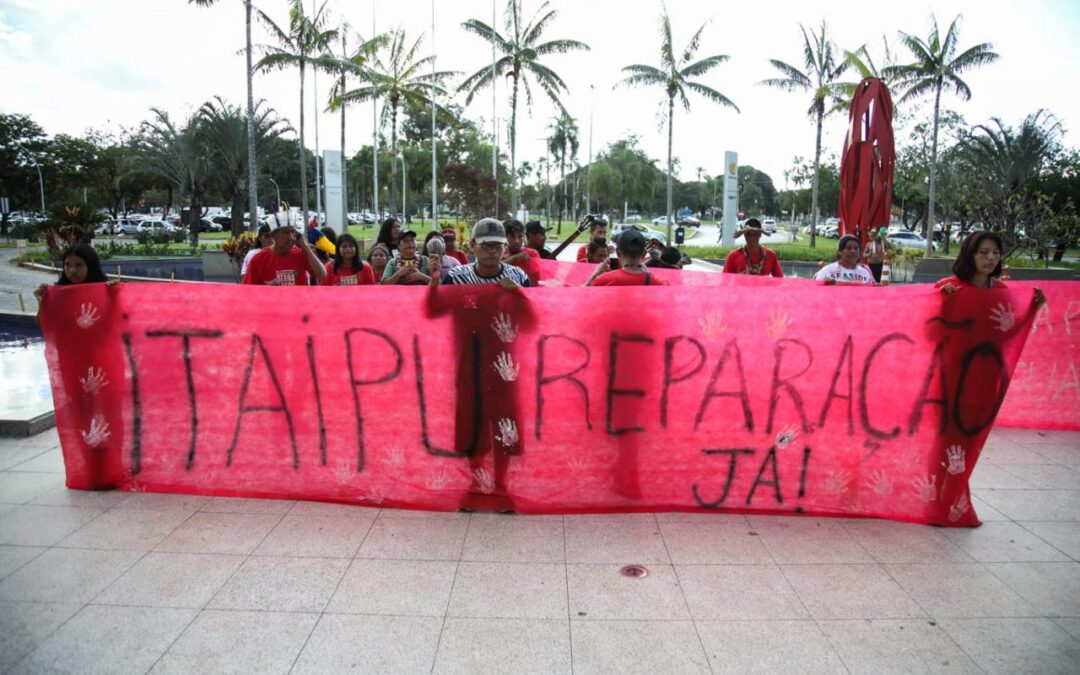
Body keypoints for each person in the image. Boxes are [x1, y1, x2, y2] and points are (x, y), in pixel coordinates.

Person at [937, 230, 1046, 306]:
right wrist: (940, 300)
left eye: (996, 253)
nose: (991, 258)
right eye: (984, 252)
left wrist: (1033, 305)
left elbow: (1011, 327)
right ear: (969, 255)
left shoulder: (1001, 290)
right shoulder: (947, 287)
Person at [430, 218, 531, 287]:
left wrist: (519, 292)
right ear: (472, 245)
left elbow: (535, 310)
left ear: (505, 246)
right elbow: (434, 309)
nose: (492, 250)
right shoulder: (456, 278)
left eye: (497, 245)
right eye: (485, 245)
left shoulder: (519, 276)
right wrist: (434, 279)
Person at [241, 216, 326, 285]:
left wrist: (305, 246)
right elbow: (248, 290)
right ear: (273, 235)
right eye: (285, 232)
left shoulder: (301, 254)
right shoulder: (258, 259)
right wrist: (266, 288)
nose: (291, 237)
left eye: (292, 232)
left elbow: (322, 274)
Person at [34, 243, 110, 313]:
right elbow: (48, 324)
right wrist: (42, 303)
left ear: (91, 267)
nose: (72, 270)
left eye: (79, 265)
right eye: (67, 264)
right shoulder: (58, 295)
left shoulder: (107, 292)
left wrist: (114, 295)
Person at [586, 229, 669, 286]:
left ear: (618, 253)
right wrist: (647, 272)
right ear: (643, 253)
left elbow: (581, 297)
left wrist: (595, 274)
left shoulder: (603, 281)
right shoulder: (661, 283)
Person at [501, 219, 542, 286]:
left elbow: (537, 281)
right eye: (511, 237)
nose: (517, 241)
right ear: (504, 237)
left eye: (520, 236)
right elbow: (492, 270)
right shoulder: (498, 255)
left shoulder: (532, 254)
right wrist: (515, 258)